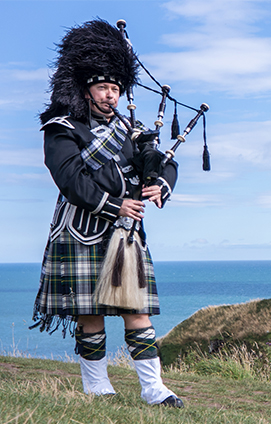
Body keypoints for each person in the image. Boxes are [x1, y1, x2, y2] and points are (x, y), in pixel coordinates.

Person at [31, 19, 183, 408]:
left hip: (126, 234)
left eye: (116, 88)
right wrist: (118, 202)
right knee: (90, 316)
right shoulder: (62, 129)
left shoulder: (131, 130)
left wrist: (160, 183)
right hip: (81, 230)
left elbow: (160, 160)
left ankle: (154, 389)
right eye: (104, 87)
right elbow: (69, 179)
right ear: (86, 89)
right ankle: (97, 387)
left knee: (138, 312)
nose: (111, 96)